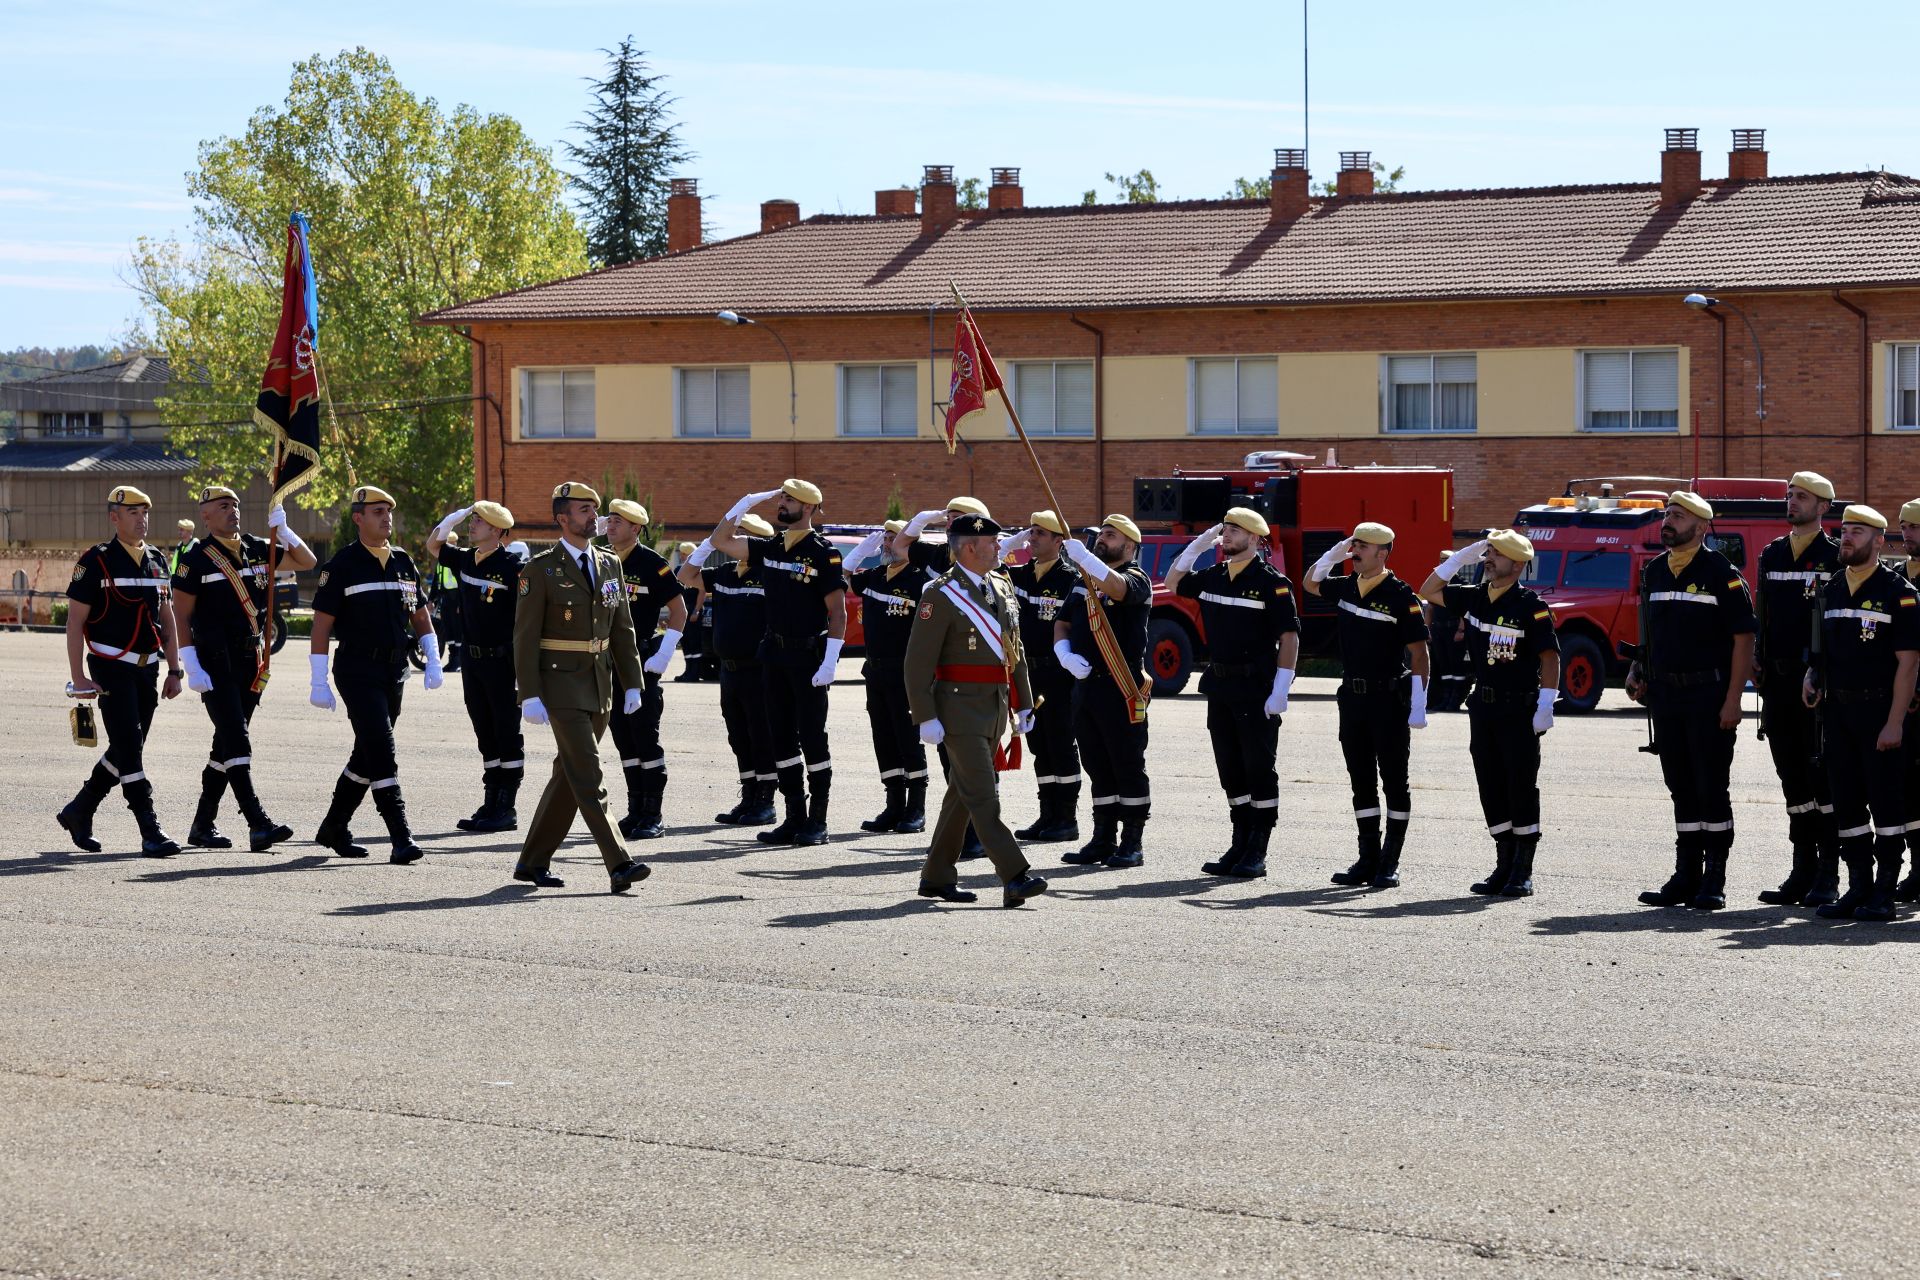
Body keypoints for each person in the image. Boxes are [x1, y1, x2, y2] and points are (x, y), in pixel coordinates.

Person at [511, 481, 651, 894]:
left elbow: (622, 628)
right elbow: (524, 637)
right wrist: (528, 693)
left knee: (568, 775)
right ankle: (619, 863)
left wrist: (632, 682)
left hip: (599, 682)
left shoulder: (609, 563)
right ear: (562, 518)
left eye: (595, 508)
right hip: (559, 684)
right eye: (584, 510)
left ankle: (532, 862)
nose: (595, 516)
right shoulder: (540, 569)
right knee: (589, 773)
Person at [904, 512, 1049, 908]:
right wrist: (925, 715)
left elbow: (1014, 651)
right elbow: (917, 662)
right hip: (958, 709)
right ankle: (1015, 875)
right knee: (984, 795)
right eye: (992, 542)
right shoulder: (940, 594)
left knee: (962, 796)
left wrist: (1023, 702)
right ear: (969, 547)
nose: (1000, 547)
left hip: (994, 706)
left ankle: (936, 877)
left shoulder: (999, 586)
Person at [1626, 491, 1757, 911]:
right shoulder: (1654, 571)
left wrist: (1734, 699)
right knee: (1680, 787)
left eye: (1679, 516)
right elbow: (1650, 629)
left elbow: (1744, 639)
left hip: (1708, 695)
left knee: (1710, 786)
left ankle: (1714, 878)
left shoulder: (1722, 573)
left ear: (1701, 528)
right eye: (1667, 514)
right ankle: (1686, 875)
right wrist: (1638, 668)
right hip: (1666, 696)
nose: (1668, 521)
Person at [172, 485, 316, 852]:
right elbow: (180, 614)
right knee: (236, 737)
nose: (232, 511)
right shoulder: (196, 559)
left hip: (251, 660)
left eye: (235, 505)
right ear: (205, 515)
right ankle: (257, 822)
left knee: (225, 743)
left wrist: (285, 531)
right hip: (214, 661)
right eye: (223, 506)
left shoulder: (257, 547)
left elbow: (307, 561)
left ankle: (202, 825)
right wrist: (189, 663)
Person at [705, 479, 847, 847]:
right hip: (774, 656)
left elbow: (837, 612)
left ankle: (817, 821)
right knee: (781, 738)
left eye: (790, 500)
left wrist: (831, 661)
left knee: (812, 738)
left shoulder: (823, 552)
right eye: (781, 498)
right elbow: (720, 541)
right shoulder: (770, 546)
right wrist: (744, 503)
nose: (781, 504)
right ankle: (793, 817)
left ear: (809, 508)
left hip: (808, 658)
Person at [1421, 530, 1561, 896]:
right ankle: (1503, 863)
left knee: (1520, 785)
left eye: (1496, 554)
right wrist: (1458, 559)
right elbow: (1429, 590)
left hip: (1519, 708)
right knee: (1490, 784)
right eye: (1488, 553)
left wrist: (1546, 705)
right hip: (1483, 707)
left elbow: (1550, 658)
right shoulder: (1476, 597)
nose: (1488, 559)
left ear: (1517, 565)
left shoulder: (1530, 606)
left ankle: (1522, 869)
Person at [1165, 507, 1300, 878]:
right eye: (1224, 529)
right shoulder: (1215, 575)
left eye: (1235, 531)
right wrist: (1196, 546)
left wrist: (1281, 689)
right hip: (1221, 686)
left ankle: (1258, 848)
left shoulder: (1271, 582)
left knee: (1258, 768)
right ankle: (1239, 842)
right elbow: (1174, 582)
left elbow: (1289, 637)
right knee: (1230, 767)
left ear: (1254, 539)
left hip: (1255, 688)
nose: (1226, 535)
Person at [308, 485, 439, 865]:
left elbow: (419, 614)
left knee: (367, 753)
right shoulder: (342, 565)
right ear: (358, 518)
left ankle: (334, 826)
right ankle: (401, 836)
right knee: (382, 750)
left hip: (394, 671)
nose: (387, 518)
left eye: (389, 511)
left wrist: (432, 657)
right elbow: (321, 626)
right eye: (378, 512)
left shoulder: (402, 561)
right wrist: (318, 680)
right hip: (357, 670)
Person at [55, 484, 185, 857]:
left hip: (148, 670)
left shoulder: (158, 560)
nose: (142, 519)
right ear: (114, 517)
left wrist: (174, 669)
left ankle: (80, 809)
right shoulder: (96, 561)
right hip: (110, 667)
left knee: (128, 747)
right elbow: (75, 622)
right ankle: (149, 828)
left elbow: (167, 618)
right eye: (133, 513)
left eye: (145, 512)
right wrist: (78, 677)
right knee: (129, 746)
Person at [1802, 505, 1918, 922]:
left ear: (1879, 540)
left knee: (1886, 803)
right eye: (1845, 530)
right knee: (1846, 802)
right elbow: (1820, 649)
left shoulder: (1899, 591)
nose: (1846, 537)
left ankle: (1884, 891)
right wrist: (1811, 676)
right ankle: (1858, 886)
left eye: (1857, 531)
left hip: (1879, 710)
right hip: (1838, 712)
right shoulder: (1832, 587)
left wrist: (1895, 722)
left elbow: (1909, 662)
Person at [1303, 522, 1432, 889]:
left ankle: (1390, 861)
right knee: (1361, 781)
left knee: (1394, 781)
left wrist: (1419, 704)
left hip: (1388, 699)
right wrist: (1332, 554)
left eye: (1362, 546)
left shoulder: (1401, 595)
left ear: (1382, 553)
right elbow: (1310, 583)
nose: (1355, 551)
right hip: (1353, 698)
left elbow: (1420, 654)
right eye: (1354, 545)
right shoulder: (1347, 586)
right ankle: (1367, 858)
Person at [1751, 472, 1843, 907]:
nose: (1792, 502)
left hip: (1816, 686)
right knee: (1792, 780)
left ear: (1823, 507)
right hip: (1777, 683)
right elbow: (1763, 612)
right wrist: (1757, 654)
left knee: (1822, 779)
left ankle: (1828, 873)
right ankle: (1801, 869)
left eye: (1802, 497)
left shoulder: (1834, 555)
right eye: (1790, 495)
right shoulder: (1772, 553)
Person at [1055, 514, 1153, 868]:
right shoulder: (1083, 580)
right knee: (1096, 764)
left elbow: (1118, 589)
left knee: (1126, 764)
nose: (1101, 540)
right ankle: (1102, 838)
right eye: (1102, 534)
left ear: (1129, 545)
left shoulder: (1136, 578)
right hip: (1086, 686)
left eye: (1110, 536)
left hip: (1120, 686)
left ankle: (1132, 841)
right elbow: (1063, 623)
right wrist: (1064, 654)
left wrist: (1083, 558)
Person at [426, 499, 526, 833]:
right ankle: (491, 800)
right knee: (484, 731)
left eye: (478, 521)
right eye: (472, 520)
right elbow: (434, 546)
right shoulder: (467, 558)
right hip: (472, 661)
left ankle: (506, 807)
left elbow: (526, 620)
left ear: (496, 530)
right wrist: (449, 521)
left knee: (506, 732)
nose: (472, 525)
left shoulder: (513, 567)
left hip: (502, 663)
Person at [680, 515, 778, 825]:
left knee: (762, 735)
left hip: (758, 670)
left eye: (740, 536)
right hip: (729, 670)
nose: (732, 542)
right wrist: (709, 544)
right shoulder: (725, 572)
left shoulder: (770, 574)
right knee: (738, 735)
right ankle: (749, 795)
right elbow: (685, 575)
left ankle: (766, 800)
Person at [602, 500, 687, 840]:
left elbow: (679, 611)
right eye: (609, 520)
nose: (610, 526)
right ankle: (635, 809)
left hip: (641, 662)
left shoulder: (653, 563)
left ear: (635, 528)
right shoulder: (602, 560)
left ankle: (653, 814)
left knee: (644, 737)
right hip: (607, 662)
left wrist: (665, 653)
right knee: (623, 737)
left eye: (618, 521)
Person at [846, 520, 933, 834]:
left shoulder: (920, 579)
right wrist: (858, 553)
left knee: (908, 737)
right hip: (875, 670)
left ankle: (916, 808)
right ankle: (894, 804)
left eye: (893, 538)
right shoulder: (875, 576)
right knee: (883, 737)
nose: (886, 543)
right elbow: (840, 581)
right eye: (884, 538)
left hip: (905, 672)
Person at [1006, 511, 1083, 844]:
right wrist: (1008, 543)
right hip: (1027, 673)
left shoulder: (1071, 579)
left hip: (1058, 674)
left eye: (1040, 532)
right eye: (1031, 531)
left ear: (1058, 540)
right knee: (1039, 745)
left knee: (1061, 744)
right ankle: (1047, 814)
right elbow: (986, 569)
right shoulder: (1019, 575)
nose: (1032, 537)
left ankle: (1066, 818)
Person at [1897, 498, 1920, 904]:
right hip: (1903, 703)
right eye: (1903, 526)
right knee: (1908, 791)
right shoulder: (1896, 579)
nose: (1906, 532)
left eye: (1914, 526)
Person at [900, 496, 991, 574]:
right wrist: (919, 521)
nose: (948, 526)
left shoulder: (992, 562)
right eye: (948, 519)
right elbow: (900, 546)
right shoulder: (939, 553)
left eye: (956, 519)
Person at [673, 541, 711, 682]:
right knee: (685, 641)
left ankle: (695, 672)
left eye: (684, 553)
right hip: (682, 609)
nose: (681, 556)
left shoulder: (699, 570)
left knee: (694, 642)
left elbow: (702, 591)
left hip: (693, 609)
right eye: (681, 553)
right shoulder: (678, 569)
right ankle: (688, 671)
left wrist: (696, 610)